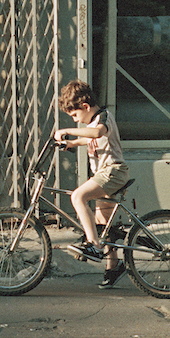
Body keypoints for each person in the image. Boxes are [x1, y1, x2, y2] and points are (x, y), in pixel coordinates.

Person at [54, 79, 132, 288]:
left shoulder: (103, 117)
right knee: (104, 224)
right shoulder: (92, 121)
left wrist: (68, 130)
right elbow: (89, 138)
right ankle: (113, 266)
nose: (76, 120)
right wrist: (71, 143)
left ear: (86, 107)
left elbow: (97, 133)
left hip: (112, 172)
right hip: (105, 174)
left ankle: (93, 244)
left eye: (75, 115)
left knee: (78, 196)